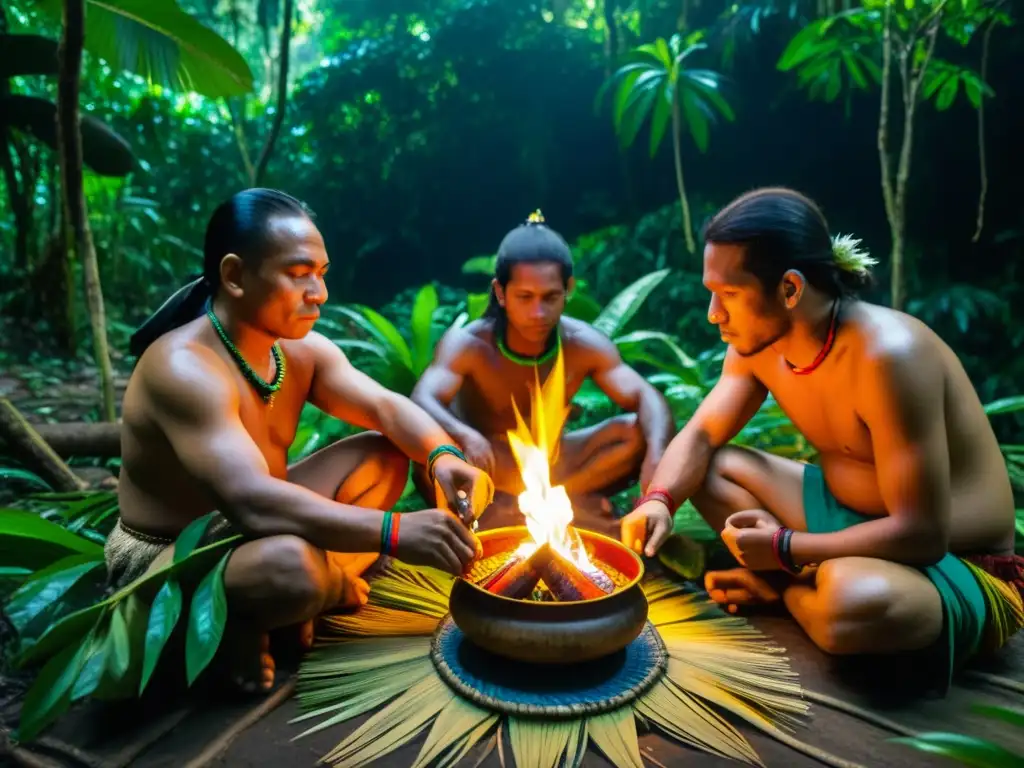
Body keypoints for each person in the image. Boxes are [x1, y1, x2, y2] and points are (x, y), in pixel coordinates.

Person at [622, 187, 1023, 687]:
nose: (713, 313)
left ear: (790, 289)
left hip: (953, 561)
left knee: (854, 605)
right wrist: (658, 500)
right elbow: (702, 434)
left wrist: (788, 549)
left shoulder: (887, 357)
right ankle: (810, 581)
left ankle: (785, 594)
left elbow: (922, 534)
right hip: (844, 517)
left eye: (729, 295)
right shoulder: (756, 346)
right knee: (711, 468)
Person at [114, 188, 492, 693]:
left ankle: (300, 600)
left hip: (255, 524)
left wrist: (441, 455)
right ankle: (279, 606)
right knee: (293, 569)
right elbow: (250, 500)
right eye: (299, 274)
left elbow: (383, 406)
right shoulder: (184, 368)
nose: (319, 292)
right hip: (173, 553)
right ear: (234, 276)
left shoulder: (298, 349)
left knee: (384, 457)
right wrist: (395, 531)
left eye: (322, 273)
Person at [411, 210, 674, 535]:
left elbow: (646, 396)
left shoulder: (584, 343)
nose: (538, 312)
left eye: (550, 297)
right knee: (432, 457)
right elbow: (422, 398)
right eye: (525, 297)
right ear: (501, 292)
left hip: (556, 465)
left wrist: (657, 463)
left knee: (634, 432)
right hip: (486, 466)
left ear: (569, 289)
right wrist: (464, 435)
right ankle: (534, 514)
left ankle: (539, 508)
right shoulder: (468, 344)